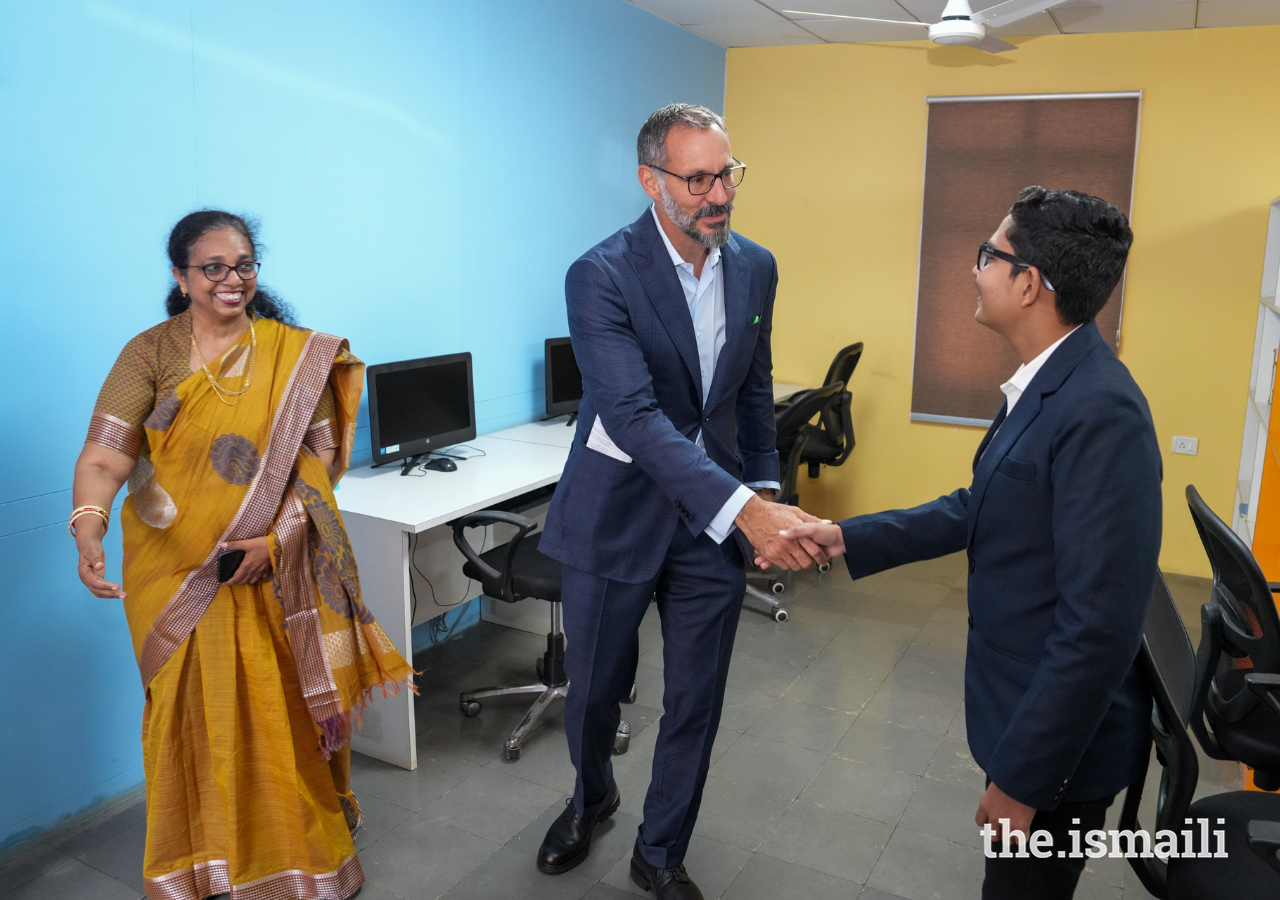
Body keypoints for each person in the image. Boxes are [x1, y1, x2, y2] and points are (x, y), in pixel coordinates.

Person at [778, 187, 1161, 900]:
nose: (974, 269)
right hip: (1018, 711)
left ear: (1029, 284)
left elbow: (1099, 630)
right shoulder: (1048, 383)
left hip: (1059, 753)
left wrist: (1024, 781)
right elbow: (979, 506)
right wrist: (841, 535)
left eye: (989, 255)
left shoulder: (1101, 411)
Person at [71, 209, 414, 900]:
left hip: (272, 575)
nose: (233, 280)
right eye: (214, 268)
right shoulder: (150, 354)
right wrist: (87, 524)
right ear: (181, 275)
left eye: (245, 266)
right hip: (174, 577)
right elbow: (108, 455)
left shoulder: (293, 353)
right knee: (187, 719)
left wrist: (276, 538)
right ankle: (201, 861)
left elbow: (318, 466)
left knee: (280, 713)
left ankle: (298, 862)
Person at [536, 104, 825, 900]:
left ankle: (659, 851)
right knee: (593, 692)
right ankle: (591, 798)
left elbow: (753, 390)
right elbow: (631, 417)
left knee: (697, 698)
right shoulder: (601, 274)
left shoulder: (756, 266)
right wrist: (746, 508)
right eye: (697, 179)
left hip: (713, 526)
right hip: (616, 511)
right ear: (650, 181)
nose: (717, 195)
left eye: (726, 174)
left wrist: (762, 490)